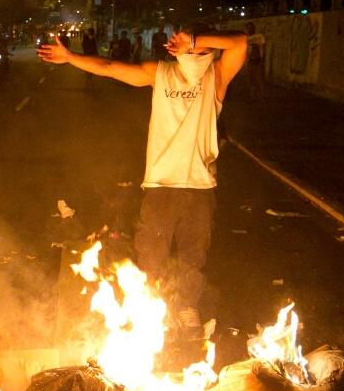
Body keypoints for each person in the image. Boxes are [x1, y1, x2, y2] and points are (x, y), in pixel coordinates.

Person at [38, 21, 247, 364]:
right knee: (152, 257)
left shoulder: (216, 79)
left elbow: (239, 43)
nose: (191, 52)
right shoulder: (161, 73)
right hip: (160, 186)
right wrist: (70, 57)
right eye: (186, 44)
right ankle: (154, 314)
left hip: (199, 186)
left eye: (197, 46)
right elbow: (110, 67)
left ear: (206, 48)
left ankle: (186, 308)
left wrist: (197, 39)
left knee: (194, 256)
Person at [245, 22, 266, 99]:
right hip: (250, 60)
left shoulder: (259, 36)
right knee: (251, 79)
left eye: (251, 27)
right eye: (248, 28)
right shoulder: (246, 38)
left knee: (259, 78)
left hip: (258, 60)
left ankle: (262, 95)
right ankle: (252, 95)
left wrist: (262, 59)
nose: (249, 29)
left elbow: (263, 48)